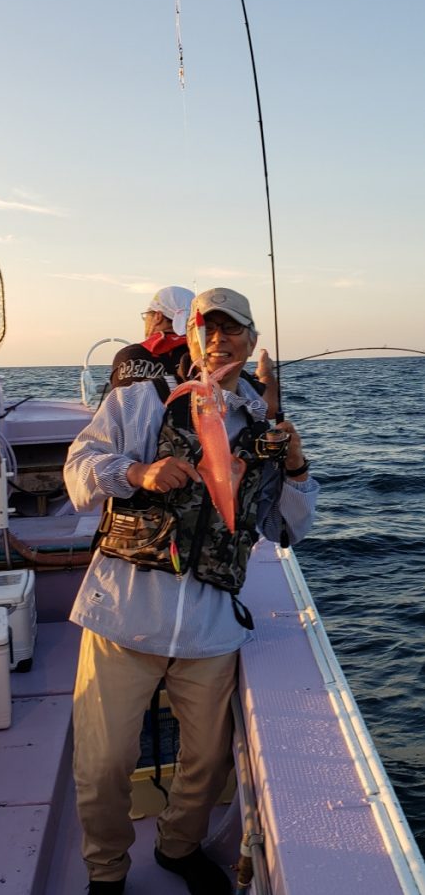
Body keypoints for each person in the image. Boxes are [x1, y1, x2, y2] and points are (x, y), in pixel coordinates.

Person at [64, 287, 319, 895]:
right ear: (192, 339)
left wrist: (296, 465)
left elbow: (286, 530)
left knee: (207, 762)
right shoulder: (141, 399)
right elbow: (78, 468)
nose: (220, 340)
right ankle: (106, 872)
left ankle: (178, 848)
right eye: (209, 328)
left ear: (252, 341)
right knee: (102, 765)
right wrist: (135, 471)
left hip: (209, 628)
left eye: (234, 330)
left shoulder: (262, 428)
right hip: (124, 615)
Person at [110, 284, 280, 416]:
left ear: (157, 316)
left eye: (231, 327)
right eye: (208, 328)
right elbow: (269, 408)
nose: (217, 338)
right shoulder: (222, 360)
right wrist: (265, 372)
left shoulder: (129, 355)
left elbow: (122, 413)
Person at [110, 285, 194, 389]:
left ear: (158, 317)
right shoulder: (201, 356)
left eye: (147, 315)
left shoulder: (130, 355)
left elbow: (122, 398)